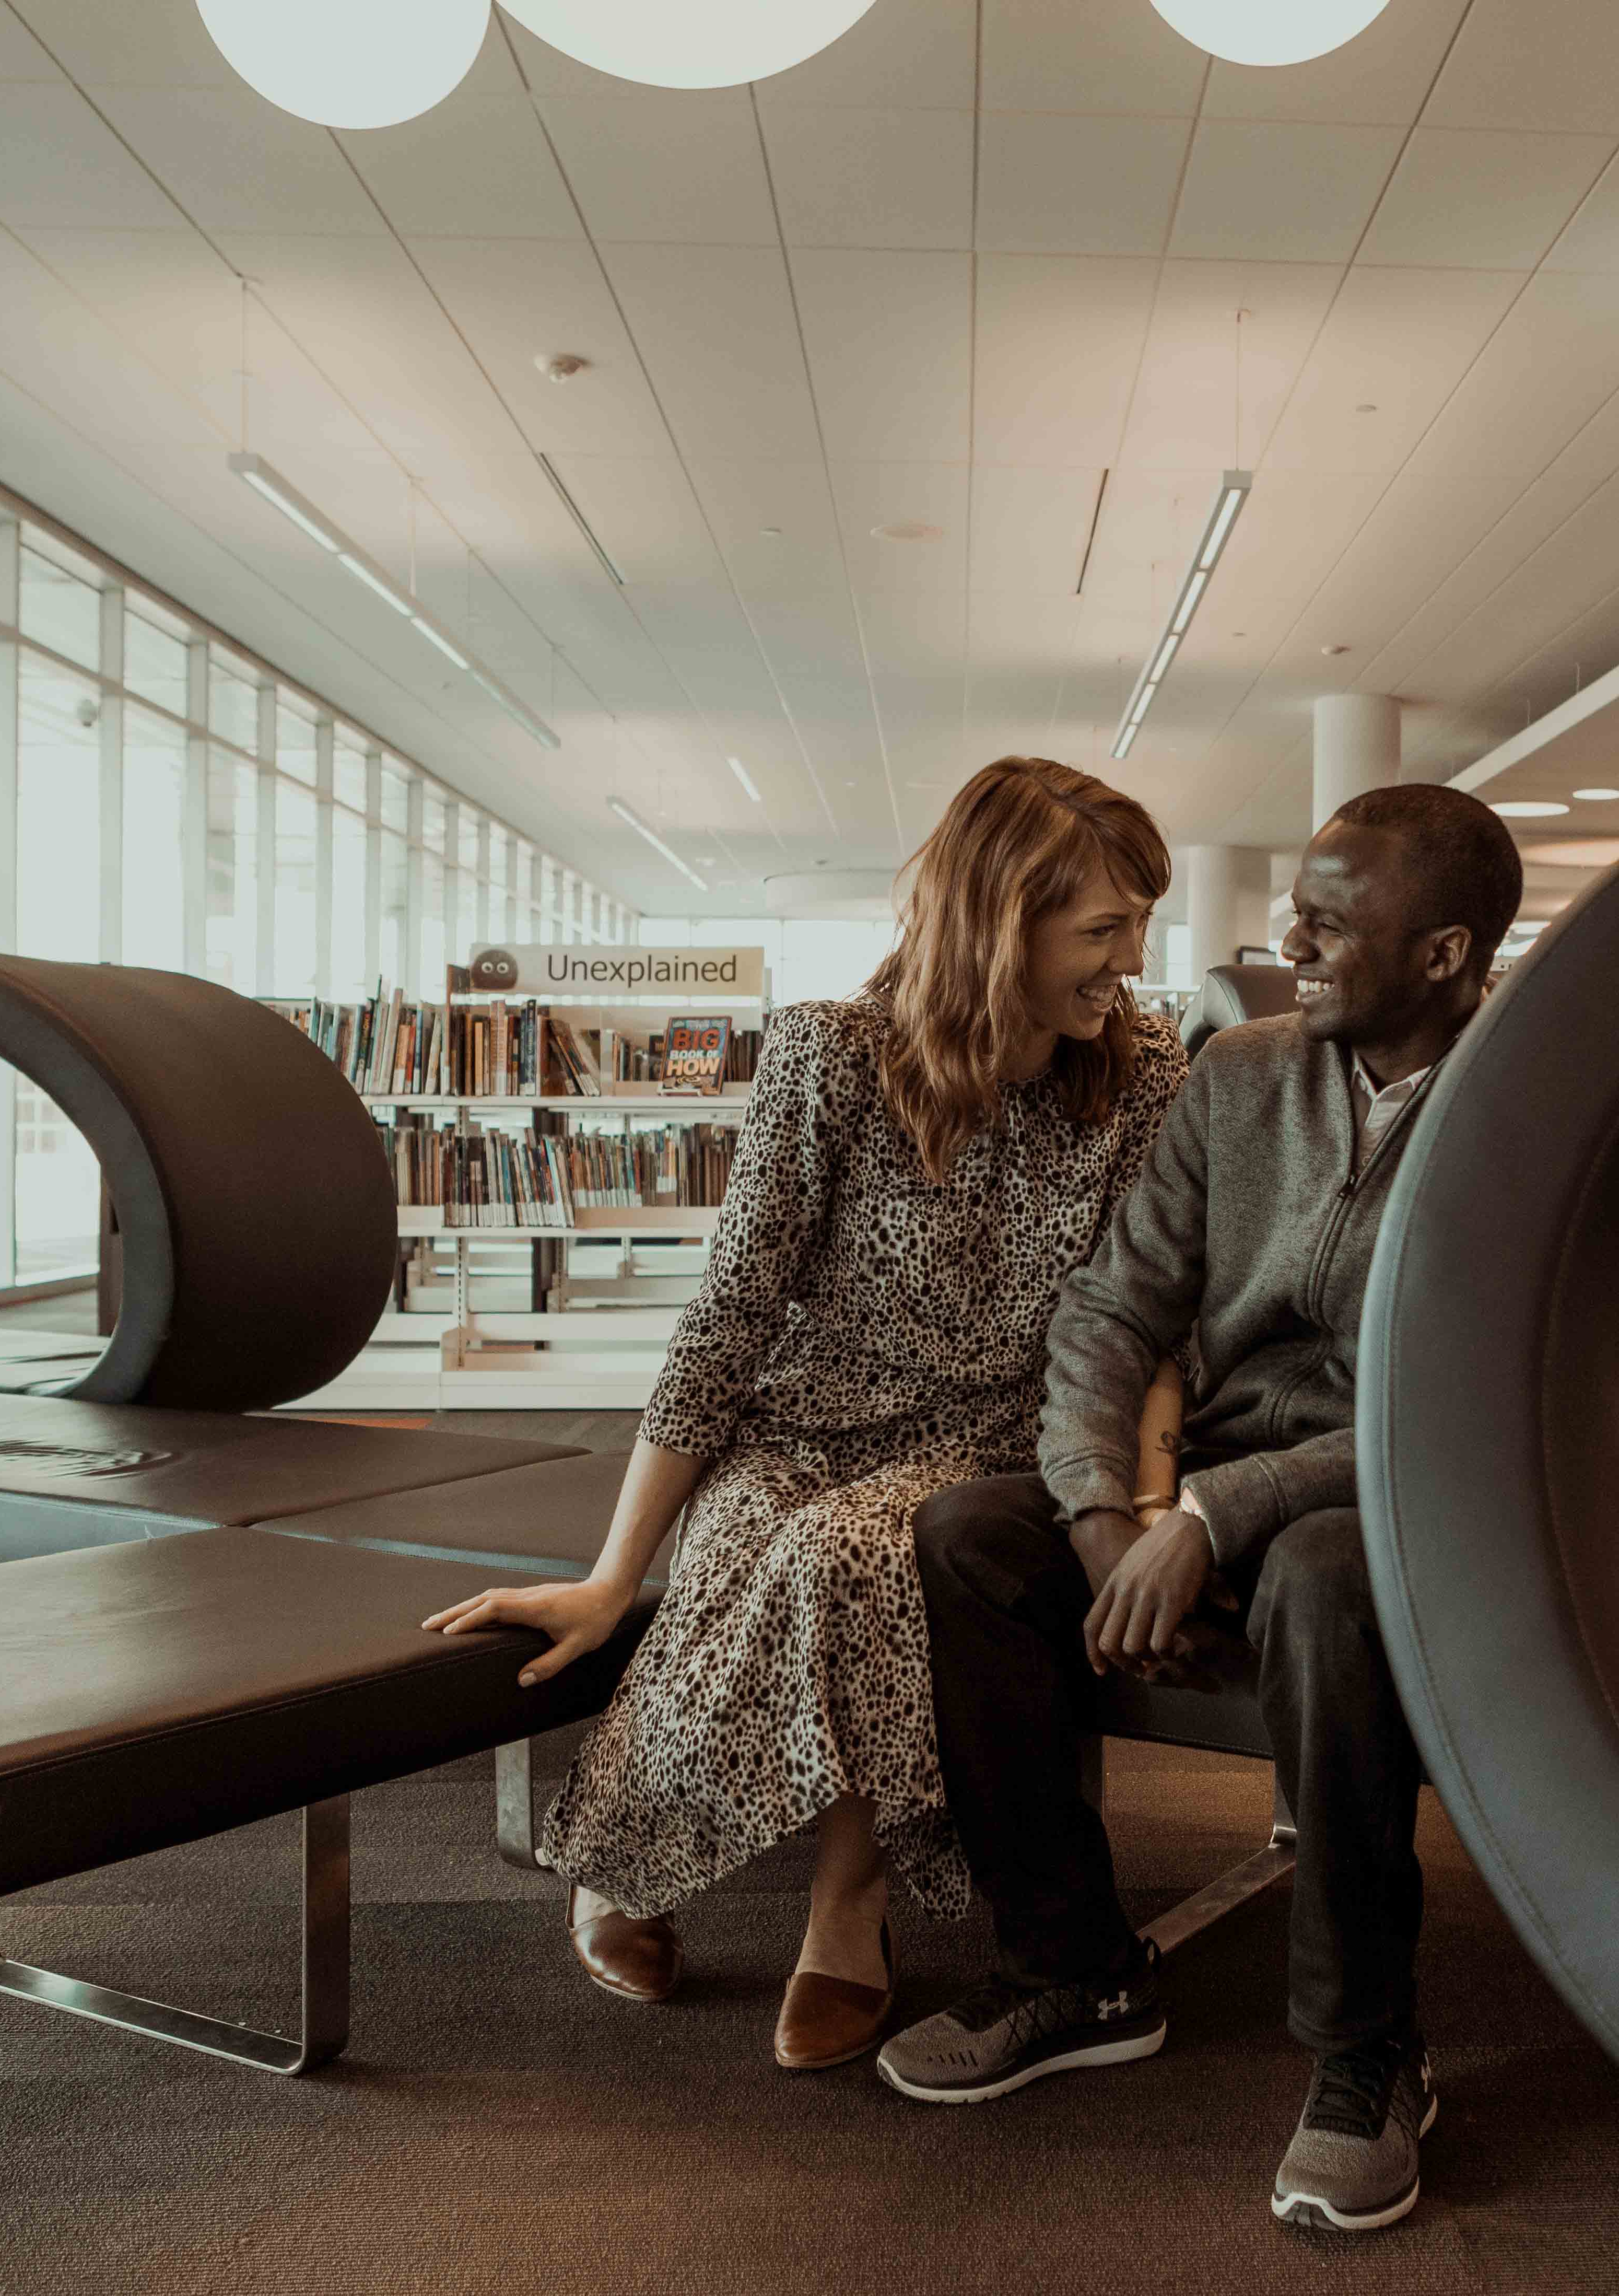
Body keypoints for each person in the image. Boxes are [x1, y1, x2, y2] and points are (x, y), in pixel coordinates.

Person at [424, 758, 1186, 2073]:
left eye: (1137, 922)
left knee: (856, 1556)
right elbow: (729, 1312)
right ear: (999, 921)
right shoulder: (832, 1056)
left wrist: (1152, 1497)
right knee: (741, 1547)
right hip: (801, 1423)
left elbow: (1152, 1310)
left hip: (994, 1441)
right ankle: (632, 1853)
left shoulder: (1142, 1069)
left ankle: (845, 1899)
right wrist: (613, 1575)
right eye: (1103, 927)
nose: (1131, 957)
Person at [877, 783, 1522, 2235]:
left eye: (1332, 923)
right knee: (973, 1539)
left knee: (1321, 1576)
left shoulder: (1526, 1108)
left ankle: (1369, 2053)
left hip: (1410, 1502)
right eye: (1298, 906)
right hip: (1210, 1491)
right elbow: (1111, 1312)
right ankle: (1077, 1970)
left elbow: (1459, 1410)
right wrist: (1106, 1511)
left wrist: (1208, 1517)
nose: (1289, 937)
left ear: (1442, 953)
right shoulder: (1241, 1075)